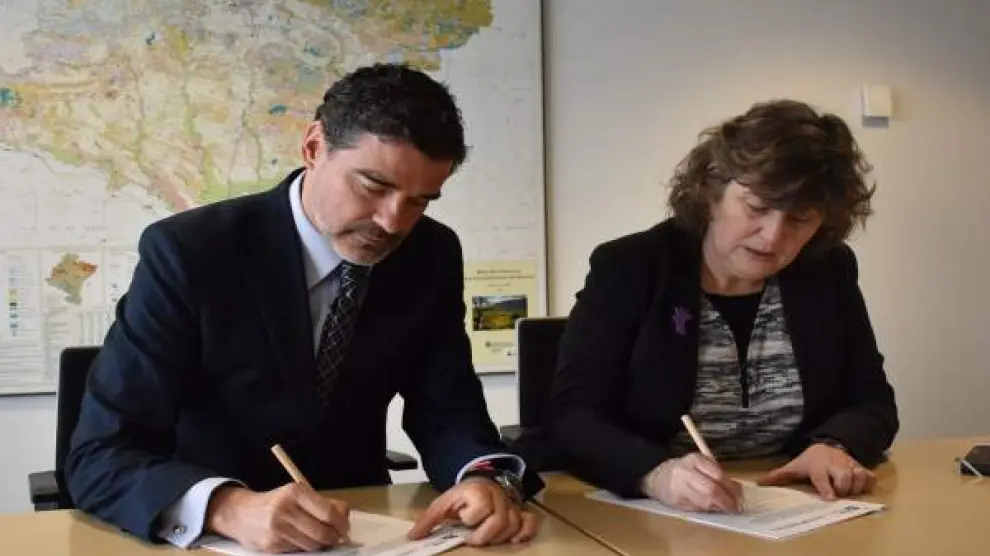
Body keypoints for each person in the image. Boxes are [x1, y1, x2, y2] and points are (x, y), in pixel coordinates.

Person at [65, 63, 543, 553]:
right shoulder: (192, 253)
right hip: (212, 541)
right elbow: (100, 456)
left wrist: (486, 479)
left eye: (419, 201)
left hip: (360, 534)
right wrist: (228, 507)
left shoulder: (430, 253)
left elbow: (447, 406)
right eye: (373, 187)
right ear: (314, 147)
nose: (392, 223)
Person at [546, 99, 899, 514]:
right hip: (656, 516)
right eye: (757, 207)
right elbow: (571, 418)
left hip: (793, 507)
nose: (772, 236)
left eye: (799, 218)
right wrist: (655, 474)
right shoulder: (631, 268)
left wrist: (834, 445)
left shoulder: (827, 270)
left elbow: (871, 400)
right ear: (712, 190)